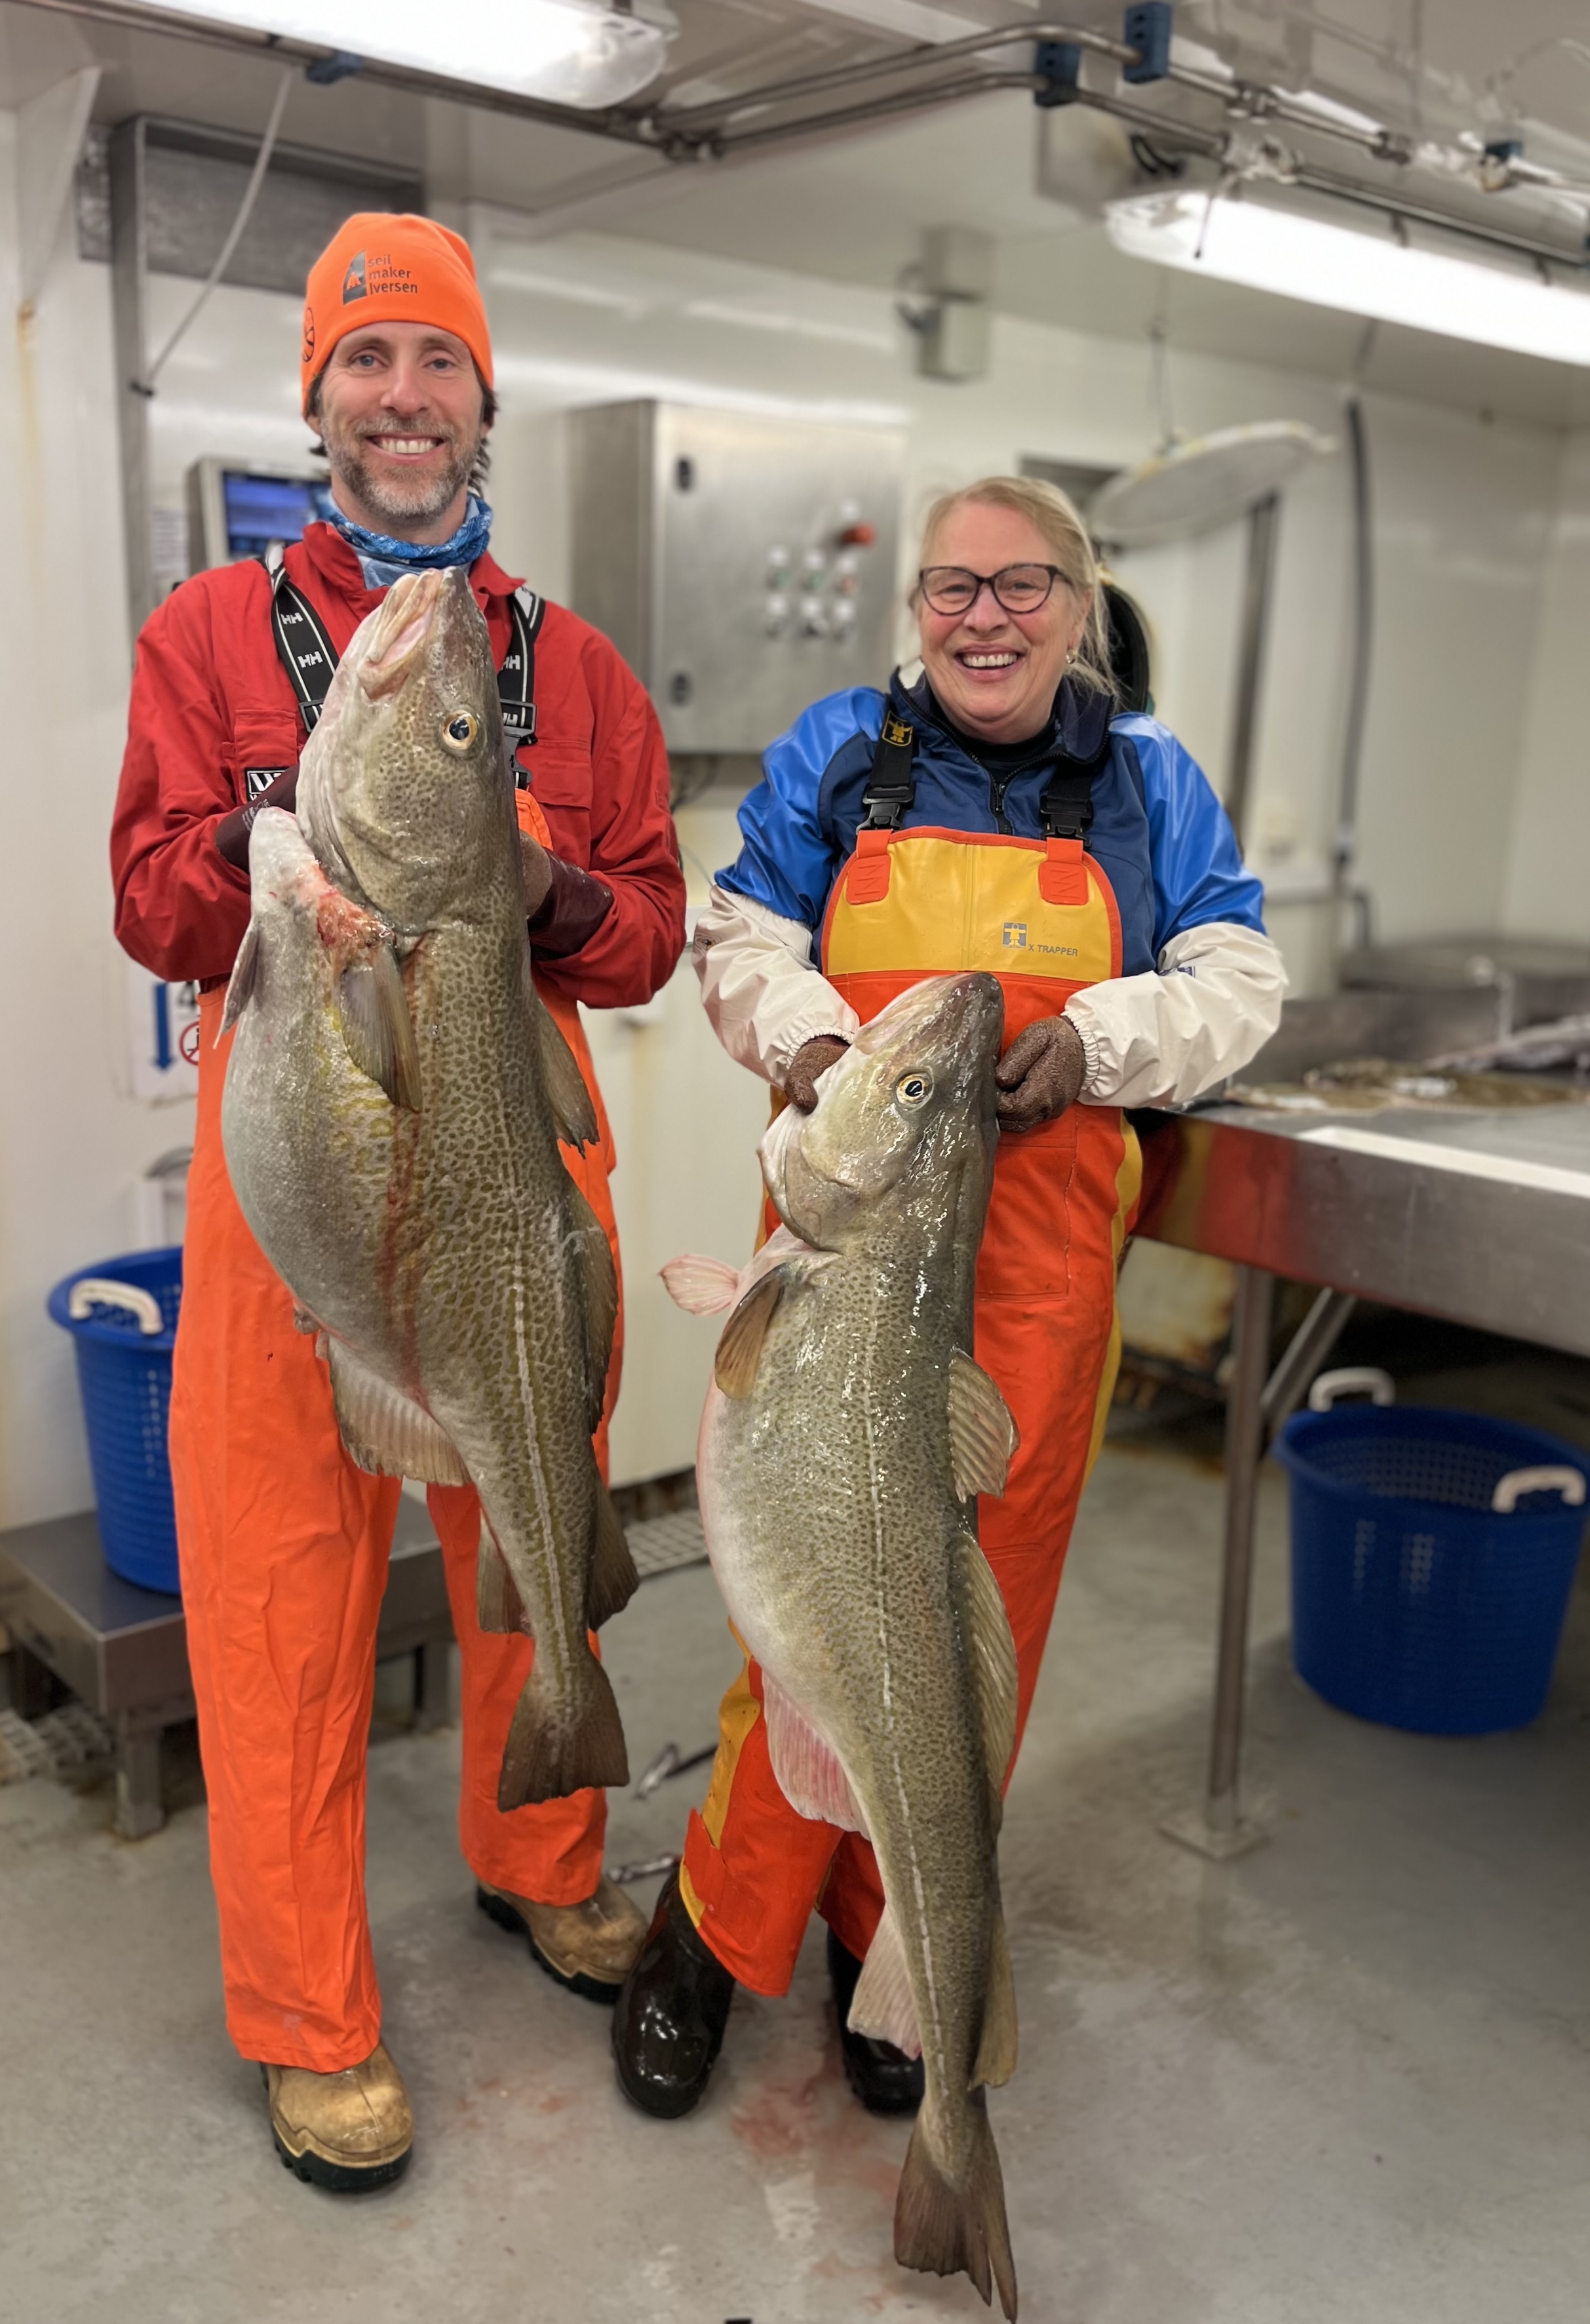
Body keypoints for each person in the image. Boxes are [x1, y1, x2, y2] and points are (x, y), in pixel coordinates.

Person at [112, 213, 686, 2191]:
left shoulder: (575, 666)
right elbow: (150, 900)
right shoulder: (205, 636)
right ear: (315, 401)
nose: (403, 401)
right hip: (295, 1172)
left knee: (536, 1513)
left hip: (514, 1167)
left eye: (435, 364)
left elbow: (645, 942)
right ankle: (306, 2017)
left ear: (482, 397)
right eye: (366, 367)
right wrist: (272, 858)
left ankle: (544, 1851)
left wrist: (555, 895)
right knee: (278, 1596)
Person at [612, 474, 1285, 2118]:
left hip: (1038, 1298)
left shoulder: (1147, 785)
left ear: (1078, 602)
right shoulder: (846, 753)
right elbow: (738, 938)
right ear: (913, 606)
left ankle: (882, 1948)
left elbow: (1239, 982)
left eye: (1023, 585)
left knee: (970, 1646)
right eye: (950, 588)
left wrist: (1102, 1041)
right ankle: (709, 1933)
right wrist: (817, 1043)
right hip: (840, 1259)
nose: (984, 617)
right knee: (812, 1633)